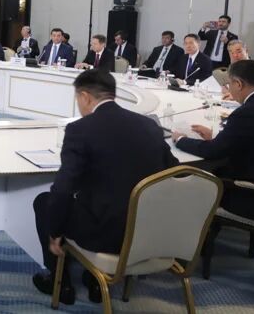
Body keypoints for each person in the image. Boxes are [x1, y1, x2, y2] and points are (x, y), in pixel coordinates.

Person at [32, 70, 177, 304]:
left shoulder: (80, 129)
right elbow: (173, 169)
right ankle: (95, 282)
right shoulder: (148, 126)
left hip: (105, 234)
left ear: (85, 97)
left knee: (44, 202)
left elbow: (63, 189)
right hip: (148, 230)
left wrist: (55, 232)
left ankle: (60, 283)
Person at [173, 60, 254, 225]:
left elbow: (213, 151)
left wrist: (180, 140)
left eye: (229, 84)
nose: (228, 89)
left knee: (199, 179)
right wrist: (216, 135)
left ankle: (199, 233)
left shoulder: (249, 111)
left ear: (238, 84)